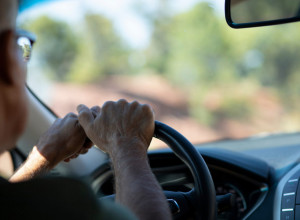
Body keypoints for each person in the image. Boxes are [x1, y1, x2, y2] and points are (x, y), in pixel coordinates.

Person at [0, 0, 172, 219]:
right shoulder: (74, 209)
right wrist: (126, 143)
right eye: (22, 45)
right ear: (8, 56)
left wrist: (45, 153)